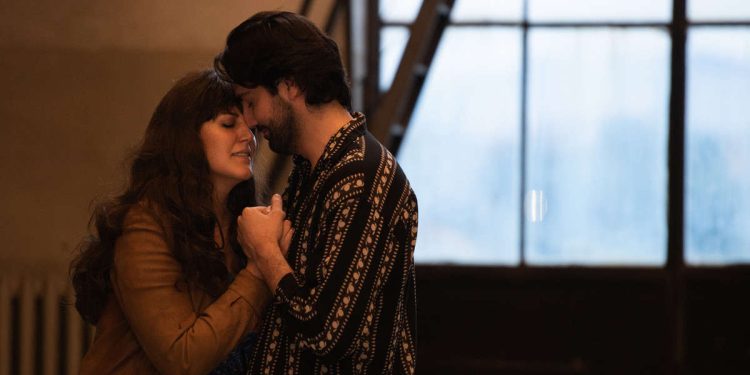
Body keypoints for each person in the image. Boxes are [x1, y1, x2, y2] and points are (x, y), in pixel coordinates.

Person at [214, 11, 419, 374]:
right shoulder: (316, 167)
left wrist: (265, 252)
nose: (249, 122)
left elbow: (329, 334)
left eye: (250, 101)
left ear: (290, 86)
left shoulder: (361, 179)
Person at [69, 69, 292, 375]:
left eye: (249, 127)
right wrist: (259, 265)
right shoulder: (145, 226)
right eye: (228, 124)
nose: (248, 137)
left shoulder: (240, 221)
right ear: (187, 138)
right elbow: (183, 358)